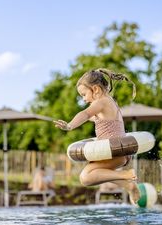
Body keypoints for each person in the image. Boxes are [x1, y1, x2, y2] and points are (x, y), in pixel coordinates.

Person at [53, 68, 140, 205]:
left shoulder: (100, 102)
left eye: (84, 94)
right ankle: (129, 185)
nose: (83, 99)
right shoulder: (110, 102)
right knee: (96, 174)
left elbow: (85, 114)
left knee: (85, 178)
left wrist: (70, 126)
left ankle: (126, 175)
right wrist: (82, 119)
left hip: (113, 153)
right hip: (119, 154)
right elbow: (96, 119)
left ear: (96, 89)